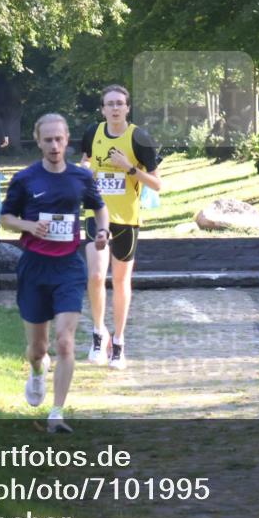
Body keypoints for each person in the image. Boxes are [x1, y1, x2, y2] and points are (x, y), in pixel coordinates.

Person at [0, 113, 110, 433]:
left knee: (64, 341)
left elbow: (99, 207)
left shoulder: (80, 177)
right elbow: (5, 218)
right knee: (38, 349)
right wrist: (29, 225)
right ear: (38, 141)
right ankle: (37, 371)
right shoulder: (25, 179)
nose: (54, 145)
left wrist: (103, 231)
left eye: (59, 139)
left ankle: (57, 413)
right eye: (47, 140)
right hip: (35, 267)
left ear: (67, 139)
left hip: (69, 267)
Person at [80, 84, 161, 369]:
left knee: (120, 280)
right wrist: (84, 171)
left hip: (127, 219)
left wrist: (129, 167)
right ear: (102, 109)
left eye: (119, 103)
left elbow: (157, 184)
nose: (115, 108)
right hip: (97, 215)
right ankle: (98, 333)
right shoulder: (93, 133)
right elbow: (85, 161)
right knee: (95, 275)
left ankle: (119, 342)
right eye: (109, 104)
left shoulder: (139, 138)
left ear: (127, 108)